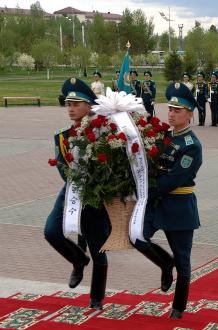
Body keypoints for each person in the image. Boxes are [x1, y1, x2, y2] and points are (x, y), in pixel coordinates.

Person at [133, 82, 202, 319]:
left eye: (177, 110)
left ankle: (178, 307)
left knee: (183, 261)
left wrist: (143, 192)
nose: (171, 114)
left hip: (179, 207)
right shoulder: (164, 136)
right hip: (157, 203)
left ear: (190, 114)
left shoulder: (192, 146)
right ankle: (164, 263)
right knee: (137, 237)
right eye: (170, 109)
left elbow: (174, 179)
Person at [45, 77, 111, 309]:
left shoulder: (104, 133)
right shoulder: (62, 136)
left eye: (76, 104)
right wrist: (76, 183)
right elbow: (63, 167)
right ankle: (78, 260)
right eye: (68, 104)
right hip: (72, 192)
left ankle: (96, 299)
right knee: (51, 231)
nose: (71, 109)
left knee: (98, 247)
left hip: (97, 196)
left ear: (89, 106)